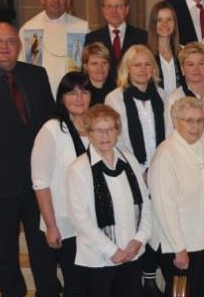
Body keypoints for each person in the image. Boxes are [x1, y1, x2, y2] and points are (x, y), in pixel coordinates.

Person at [0, 22, 60, 296]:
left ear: (19, 45)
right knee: (4, 248)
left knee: (42, 244)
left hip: (38, 181)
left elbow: (51, 123)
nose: (5, 47)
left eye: (10, 42)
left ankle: (48, 291)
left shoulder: (36, 75)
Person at [67, 104, 152, 297]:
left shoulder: (129, 160)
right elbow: (80, 219)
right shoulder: (79, 168)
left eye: (110, 129)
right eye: (99, 130)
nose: (105, 135)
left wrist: (139, 239)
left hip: (132, 254)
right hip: (98, 259)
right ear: (89, 133)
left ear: (117, 132)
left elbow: (146, 205)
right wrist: (112, 250)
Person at [149, 97, 204, 297]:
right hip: (180, 244)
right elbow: (164, 207)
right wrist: (179, 248)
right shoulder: (165, 154)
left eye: (200, 120)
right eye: (189, 121)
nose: (195, 126)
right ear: (175, 121)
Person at [104, 44, 167, 295]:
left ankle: (150, 278)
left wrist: (158, 168)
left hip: (159, 169)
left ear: (153, 68)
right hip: (130, 171)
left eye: (147, 64)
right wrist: (139, 171)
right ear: (127, 69)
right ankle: (136, 279)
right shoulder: (115, 98)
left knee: (155, 223)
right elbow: (116, 138)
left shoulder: (162, 95)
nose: (142, 69)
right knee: (137, 224)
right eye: (137, 64)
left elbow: (168, 133)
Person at [31, 72, 92, 296]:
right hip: (62, 221)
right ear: (62, 97)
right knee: (63, 284)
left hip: (89, 220)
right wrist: (51, 225)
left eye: (84, 91)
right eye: (72, 92)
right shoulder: (52, 129)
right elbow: (40, 182)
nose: (79, 98)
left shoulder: (97, 128)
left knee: (84, 285)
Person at [18, 0, 89, 94]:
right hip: (39, 93)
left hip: (73, 93)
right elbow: (22, 68)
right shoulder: (29, 29)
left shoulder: (82, 28)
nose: (55, 0)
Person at [85, 0, 148, 84]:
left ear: (127, 9)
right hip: (102, 94)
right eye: (109, 6)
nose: (113, 11)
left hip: (133, 92)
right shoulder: (92, 38)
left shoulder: (142, 37)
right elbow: (86, 72)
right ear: (103, 10)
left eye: (118, 6)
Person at [163, 42, 204, 140]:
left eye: (201, 63)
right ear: (182, 68)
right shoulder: (175, 99)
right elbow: (170, 136)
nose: (196, 69)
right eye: (190, 64)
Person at [148, 1, 183, 95]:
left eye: (169, 19)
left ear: (175, 23)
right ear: (153, 24)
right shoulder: (145, 54)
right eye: (159, 20)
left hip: (181, 106)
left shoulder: (184, 52)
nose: (165, 24)